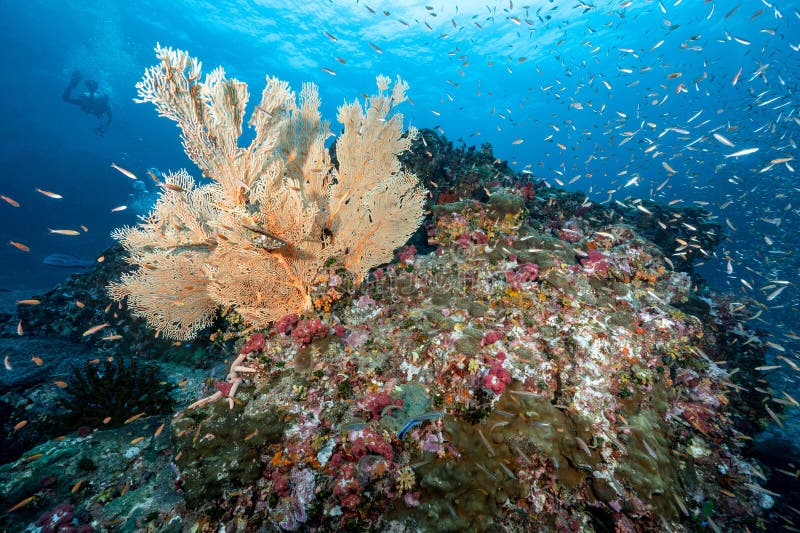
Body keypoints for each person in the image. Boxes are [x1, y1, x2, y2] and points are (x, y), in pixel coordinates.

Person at [62, 71, 112, 135]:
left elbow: (106, 120)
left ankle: (73, 83)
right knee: (66, 99)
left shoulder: (103, 110)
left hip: (87, 101)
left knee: (65, 99)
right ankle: (87, 86)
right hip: (88, 102)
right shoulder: (107, 107)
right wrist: (102, 128)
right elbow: (109, 120)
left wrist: (102, 128)